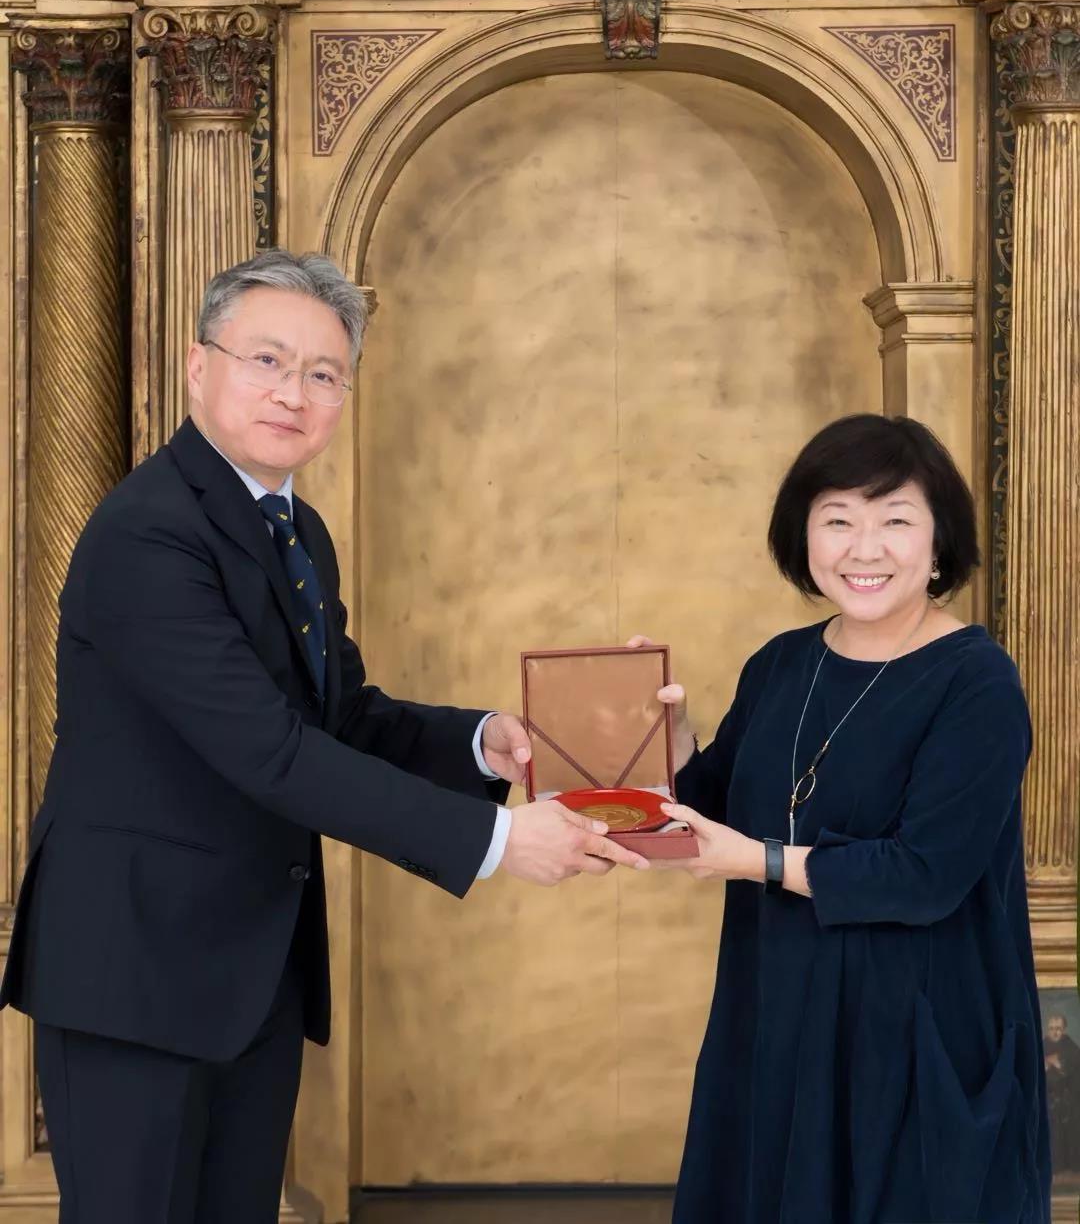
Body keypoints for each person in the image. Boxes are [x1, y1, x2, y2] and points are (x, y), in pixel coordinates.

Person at [0, 249, 647, 1223]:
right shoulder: (149, 532)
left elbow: (340, 716)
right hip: (137, 971)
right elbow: (270, 751)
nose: (292, 393)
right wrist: (499, 840)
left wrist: (482, 742)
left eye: (323, 373)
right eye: (266, 360)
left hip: (251, 969)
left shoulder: (296, 531)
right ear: (199, 367)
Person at [637, 413, 1050, 1223]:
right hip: (778, 1023)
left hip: (912, 1043)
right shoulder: (780, 663)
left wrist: (759, 861)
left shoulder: (978, 682)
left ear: (940, 542)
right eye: (838, 520)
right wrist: (674, 742)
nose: (865, 549)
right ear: (804, 536)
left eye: (894, 520)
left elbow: (925, 874)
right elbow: (718, 807)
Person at [1044, 1012, 1080, 1177]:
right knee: (1052, 1134)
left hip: (1068, 1099)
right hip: (1048, 1099)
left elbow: (1074, 1070)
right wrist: (1048, 1064)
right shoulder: (1042, 1044)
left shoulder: (1071, 1047)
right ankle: (1055, 1167)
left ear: (1064, 1029)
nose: (1055, 1032)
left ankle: (1073, 1167)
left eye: (1058, 1028)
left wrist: (1057, 1063)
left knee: (1071, 1132)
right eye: (1052, 1028)